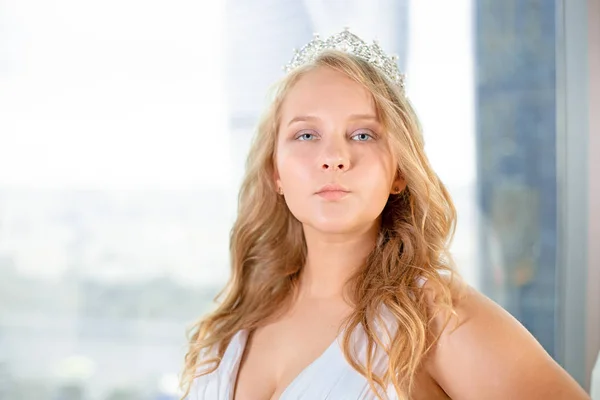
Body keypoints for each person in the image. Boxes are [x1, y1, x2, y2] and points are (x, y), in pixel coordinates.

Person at [179, 29, 590, 400]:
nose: (335, 158)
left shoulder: (438, 318)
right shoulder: (231, 324)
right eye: (306, 134)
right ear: (275, 172)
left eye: (363, 134)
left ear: (398, 172)